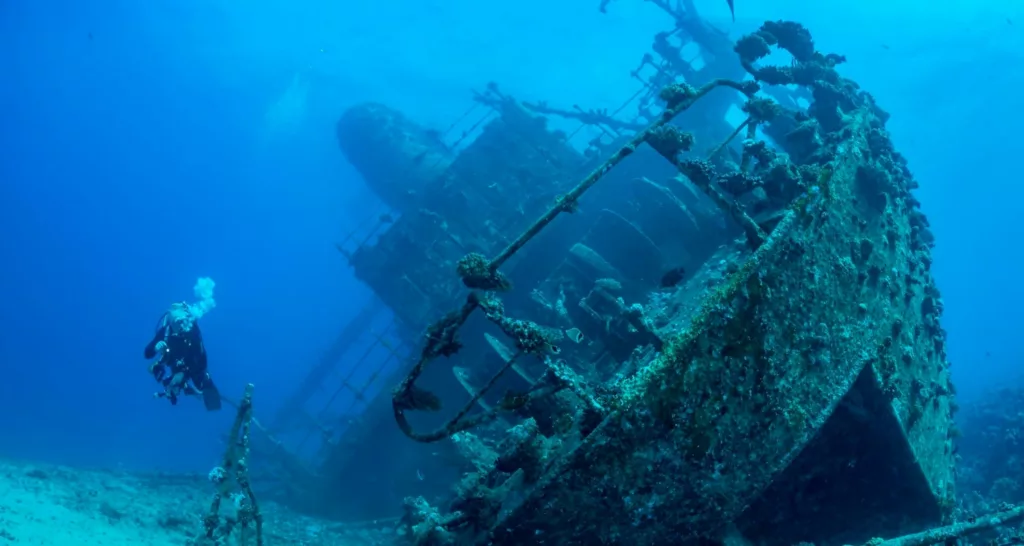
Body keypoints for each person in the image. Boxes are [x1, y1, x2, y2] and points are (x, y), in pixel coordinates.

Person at [144, 302, 222, 411]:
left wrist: (183, 374)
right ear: (171, 322)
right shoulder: (165, 332)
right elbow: (147, 354)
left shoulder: (192, 330)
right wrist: (155, 348)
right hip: (176, 366)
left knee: (208, 391)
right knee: (170, 383)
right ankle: (177, 389)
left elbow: (200, 359)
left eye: (182, 321)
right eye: (177, 322)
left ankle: (211, 405)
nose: (180, 326)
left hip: (196, 366)